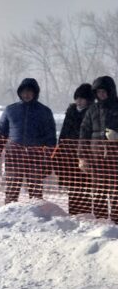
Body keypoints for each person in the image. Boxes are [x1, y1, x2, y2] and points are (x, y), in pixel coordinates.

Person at [0, 77, 56, 202]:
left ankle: (37, 216)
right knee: (12, 189)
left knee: (35, 191)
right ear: (19, 93)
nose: (27, 94)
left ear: (35, 93)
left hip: (36, 156)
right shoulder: (10, 110)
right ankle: (8, 215)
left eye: (30, 91)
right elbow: (0, 135)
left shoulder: (44, 111)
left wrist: (49, 160)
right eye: (24, 91)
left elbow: (50, 138)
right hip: (14, 154)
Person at [79, 76, 118, 222]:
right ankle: (101, 222)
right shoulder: (92, 110)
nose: (101, 94)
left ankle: (116, 222)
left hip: (115, 157)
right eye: (98, 92)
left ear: (110, 91)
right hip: (96, 157)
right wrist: (82, 157)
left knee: (116, 190)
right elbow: (84, 133)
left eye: (104, 91)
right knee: (99, 190)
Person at [56, 83, 93, 215]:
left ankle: (85, 212)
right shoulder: (70, 112)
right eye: (77, 98)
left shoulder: (91, 113)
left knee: (85, 184)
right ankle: (73, 211)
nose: (79, 101)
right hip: (69, 154)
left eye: (82, 98)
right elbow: (63, 133)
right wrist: (60, 149)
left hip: (85, 154)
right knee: (72, 184)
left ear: (88, 100)